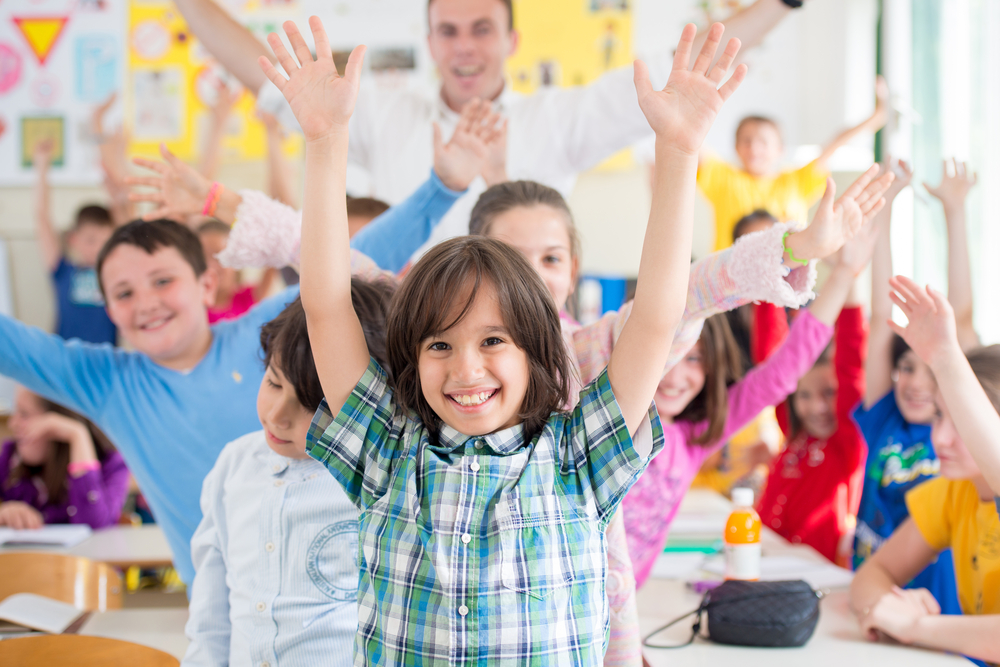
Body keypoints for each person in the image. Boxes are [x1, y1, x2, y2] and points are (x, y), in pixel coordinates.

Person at [265, 16, 744, 663]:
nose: (466, 368)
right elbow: (325, 305)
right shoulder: (386, 451)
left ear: (537, 351)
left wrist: (680, 152)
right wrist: (326, 143)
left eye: (493, 340)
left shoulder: (579, 456)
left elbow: (657, 316)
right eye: (439, 344)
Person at [0, 116, 491, 583]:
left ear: (207, 281)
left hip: (328, 598)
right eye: (124, 293)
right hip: (224, 613)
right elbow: (11, 343)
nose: (146, 303)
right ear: (107, 309)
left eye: (163, 281)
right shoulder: (104, 381)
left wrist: (441, 187)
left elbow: (350, 257)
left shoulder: (266, 328)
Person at [174, 0, 810, 259]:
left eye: (482, 28)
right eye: (449, 31)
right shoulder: (385, 112)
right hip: (400, 343)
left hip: (518, 355)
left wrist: (783, 5)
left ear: (512, 39)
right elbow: (264, 71)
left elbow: (686, 66)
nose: (465, 47)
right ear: (429, 42)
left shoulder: (556, 118)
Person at [623, 198, 890, 585]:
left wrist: (845, 273)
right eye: (667, 355)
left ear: (712, 368)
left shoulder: (693, 439)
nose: (676, 374)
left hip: (623, 609)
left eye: (695, 359)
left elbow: (781, 371)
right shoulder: (607, 416)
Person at [184, 283, 393, 667]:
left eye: (314, 407)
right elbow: (210, 616)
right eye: (273, 382)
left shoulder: (382, 478)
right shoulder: (235, 465)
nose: (277, 416)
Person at [849, 282, 1000, 664]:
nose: (941, 438)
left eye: (962, 423)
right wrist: (884, 607)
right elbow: (872, 574)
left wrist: (918, 626)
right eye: (937, 416)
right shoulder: (955, 492)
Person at [853, 158, 978, 614]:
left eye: (931, 371)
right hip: (874, 589)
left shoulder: (962, 437)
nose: (915, 384)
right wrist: (884, 210)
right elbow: (880, 316)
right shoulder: (885, 413)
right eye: (906, 368)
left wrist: (955, 212)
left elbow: (960, 320)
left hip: (937, 602)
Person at [698, 76, 889, 251]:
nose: (754, 148)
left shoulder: (797, 181)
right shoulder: (723, 178)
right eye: (746, 141)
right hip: (728, 281)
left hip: (787, 280)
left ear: (780, 149)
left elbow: (835, 144)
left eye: (763, 142)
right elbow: (694, 141)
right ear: (736, 147)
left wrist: (877, 117)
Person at [1, 387, 127, 530]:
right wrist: (3, 512)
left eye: (24, 414)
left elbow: (94, 527)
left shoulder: (112, 463)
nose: (13, 423)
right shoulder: (9, 457)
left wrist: (77, 435)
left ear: (59, 420)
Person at [33, 140, 117, 345]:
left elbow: (123, 208)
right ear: (74, 239)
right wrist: (42, 167)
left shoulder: (115, 273)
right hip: (64, 361)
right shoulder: (63, 270)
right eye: (91, 240)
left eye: (105, 241)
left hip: (105, 363)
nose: (98, 248)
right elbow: (42, 217)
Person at [196, 219, 279, 323]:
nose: (210, 266)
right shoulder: (191, 308)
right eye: (203, 258)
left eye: (218, 257)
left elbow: (274, 259)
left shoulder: (249, 298)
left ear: (236, 260)